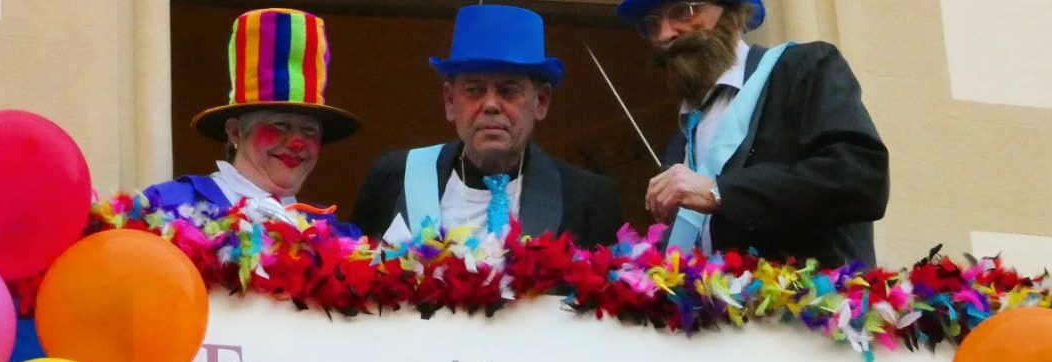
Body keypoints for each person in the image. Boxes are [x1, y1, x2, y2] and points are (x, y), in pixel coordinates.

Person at [617, 0, 888, 266]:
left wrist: (718, 192)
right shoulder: (680, 141)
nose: (665, 34)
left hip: (810, 305)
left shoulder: (803, 69)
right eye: (652, 24)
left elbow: (861, 179)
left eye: (683, 11)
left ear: (730, 11)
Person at [351, 4, 623, 248]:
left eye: (508, 91)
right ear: (449, 100)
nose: (490, 104)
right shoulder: (392, 179)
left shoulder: (589, 200)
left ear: (541, 101)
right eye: (474, 90)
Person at [142, 8, 360, 235]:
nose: (297, 143)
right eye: (280, 125)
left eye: (309, 130)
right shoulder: (168, 208)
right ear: (235, 131)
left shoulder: (337, 238)